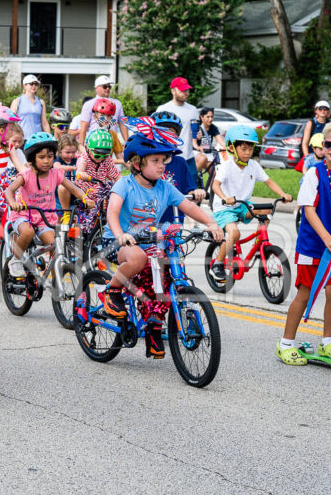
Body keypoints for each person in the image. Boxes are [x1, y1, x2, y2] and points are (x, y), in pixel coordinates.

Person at [99, 129, 222, 358]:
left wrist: (212, 224)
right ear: (137, 164)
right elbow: (112, 214)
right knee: (138, 258)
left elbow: (191, 209)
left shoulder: (164, 187)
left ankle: (154, 327)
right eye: (155, 161)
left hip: (148, 242)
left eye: (163, 160)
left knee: (164, 278)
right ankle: (112, 290)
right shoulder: (124, 185)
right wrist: (120, 235)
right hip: (117, 241)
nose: (162, 165)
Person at [278, 122, 331, 364]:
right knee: (305, 292)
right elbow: (308, 210)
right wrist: (327, 238)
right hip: (314, 246)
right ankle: (286, 344)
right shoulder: (315, 173)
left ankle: (328, 343)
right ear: (322, 146)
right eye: (329, 144)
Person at [209, 125, 291, 279]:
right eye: (243, 149)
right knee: (234, 233)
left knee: (266, 210)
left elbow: (269, 181)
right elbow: (215, 185)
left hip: (242, 205)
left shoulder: (254, 165)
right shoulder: (227, 167)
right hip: (224, 208)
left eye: (250, 149)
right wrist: (225, 197)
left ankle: (261, 243)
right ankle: (217, 264)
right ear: (232, 148)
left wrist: (283, 194)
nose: (247, 153)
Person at [4, 133, 90, 279]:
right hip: (25, 215)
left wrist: (85, 198)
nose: (47, 161)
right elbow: (9, 190)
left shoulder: (56, 174)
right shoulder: (26, 175)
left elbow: (73, 188)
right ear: (32, 158)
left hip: (45, 218)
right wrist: (13, 202)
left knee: (55, 245)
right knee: (28, 232)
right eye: (42, 157)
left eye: (50, 157)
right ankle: (16, 259)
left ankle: (54, 278)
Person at [155, 77, 200, 184]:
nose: (186, 93)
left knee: (192, 187)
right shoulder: (163, 109)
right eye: (182, 90)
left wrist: (198, 134)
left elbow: (195, 132)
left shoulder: (193, 110)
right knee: (171, 185)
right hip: (169, 157)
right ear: (173, 91)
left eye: (187, 90)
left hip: (189, 156)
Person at [74, 129, 120, 232]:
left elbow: (117, 177)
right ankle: (89, 227)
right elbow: (79, 171)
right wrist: (82, 174)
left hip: (100, 192)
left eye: (105, 155)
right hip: (84, 192)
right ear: (87, 148)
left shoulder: (107, 161)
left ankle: (106, 225)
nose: (101, 158)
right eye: (97, 154)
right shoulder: (84, 158)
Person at [77, 76, 128, 148]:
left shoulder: (117, 103)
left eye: (109, 87)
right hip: (95, 142)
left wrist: (127, 141)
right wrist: (81, 146)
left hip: (112, 142)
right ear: (96, 88)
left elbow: (122, 123)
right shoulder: (89, 104)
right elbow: (84, 126)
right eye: (105, 86)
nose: (107, 89)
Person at [193, 106, 221, 172]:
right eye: (208, 117)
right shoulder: (197, 127)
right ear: (201, 117)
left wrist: (227, 147)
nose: (210, 119)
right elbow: (193, 142)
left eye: (212, 117)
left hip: (208, 153)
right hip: (196, 152)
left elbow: (220, 139)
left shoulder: (213, 127)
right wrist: (197, 147)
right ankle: (191, 178)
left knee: (214, 173)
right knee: (203, 159)